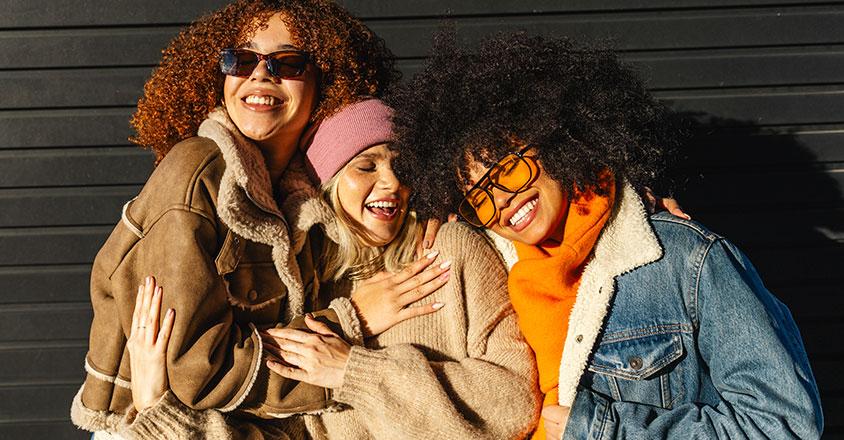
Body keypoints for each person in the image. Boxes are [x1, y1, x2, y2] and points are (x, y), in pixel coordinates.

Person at [388, 32, 824, 439]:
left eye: (508, 169)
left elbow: (783, 423)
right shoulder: (488, 272)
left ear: (554, 139)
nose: (502, 199)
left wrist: (603, 429)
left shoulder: (682, 259)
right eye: (478, 195)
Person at [71, 0, 405, 434]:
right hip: (153, 427)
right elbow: (198, 373)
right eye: (241, 59)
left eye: (287, 62)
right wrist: (350, 321)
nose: (260, 74)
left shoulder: (305, 192)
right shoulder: (197, 172)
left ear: (329, 81)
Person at [121, 99, 541, 439]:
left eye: (403, 166)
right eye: (366, 165)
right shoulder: (308, 290)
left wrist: (353, 372)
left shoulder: (449, 250)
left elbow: (514, 402)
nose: (393, 182)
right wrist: (158, 413)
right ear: (328, 182)